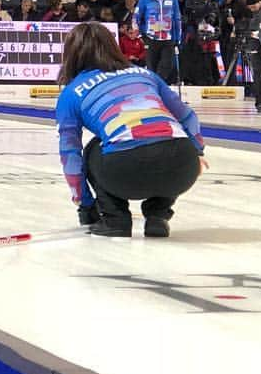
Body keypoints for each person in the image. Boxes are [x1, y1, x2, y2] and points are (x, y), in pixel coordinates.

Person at [56, 22, 206, 238]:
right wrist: (196, 151)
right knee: (168, 138)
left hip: (123, 172)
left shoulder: (71, 94)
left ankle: (115, 218)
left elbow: (70, 155)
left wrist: (86, 207)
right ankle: (158, 214)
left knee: (91, 150)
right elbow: (188, 118)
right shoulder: (145, 75)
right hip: (181, 166)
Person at [133, 0, 182, 83]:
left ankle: (158, 86)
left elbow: (177, 19)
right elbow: (136, 17)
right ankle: (154, 91)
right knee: (152, 68)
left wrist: (177, 38)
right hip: (151, 39)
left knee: (166, 66)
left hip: (168, 39)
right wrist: (140, 34)